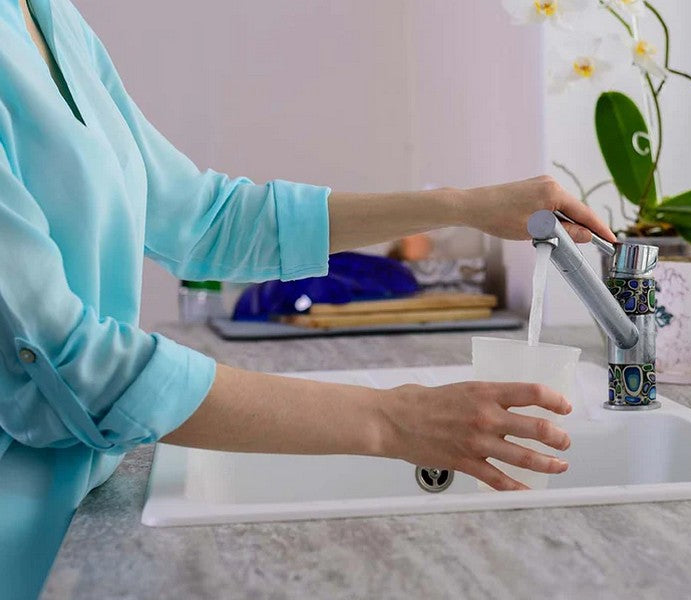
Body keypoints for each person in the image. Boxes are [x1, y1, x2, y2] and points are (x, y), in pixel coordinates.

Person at [0, 0, 616, 597]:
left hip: (78, 504)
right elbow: (67, 361)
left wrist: (461, 207)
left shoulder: (52, 19)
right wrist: (393, 419)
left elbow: (203, 217)